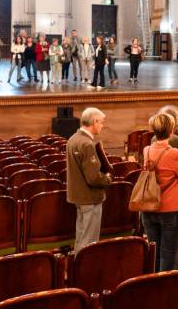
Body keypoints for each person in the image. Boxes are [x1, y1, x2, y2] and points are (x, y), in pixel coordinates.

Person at [141, 113, 178, 272]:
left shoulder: (147, 150)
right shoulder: (175, 153)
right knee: (169, 254)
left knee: (155, 250)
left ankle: (155, 283)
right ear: (171, 131)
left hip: (149, 206)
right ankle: (166, 286)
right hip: (172, 208)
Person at [66, 107, 113, 251]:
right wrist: (107, 178)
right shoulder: (87, 144)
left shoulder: (73, 139)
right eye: (101, 122)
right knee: (89, 241)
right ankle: (86, 271)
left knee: (81, 237)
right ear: (94, 121)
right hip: (90, 197)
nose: (102, 126)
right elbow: (93, 178)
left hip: (79, 197)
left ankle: (78, 268)